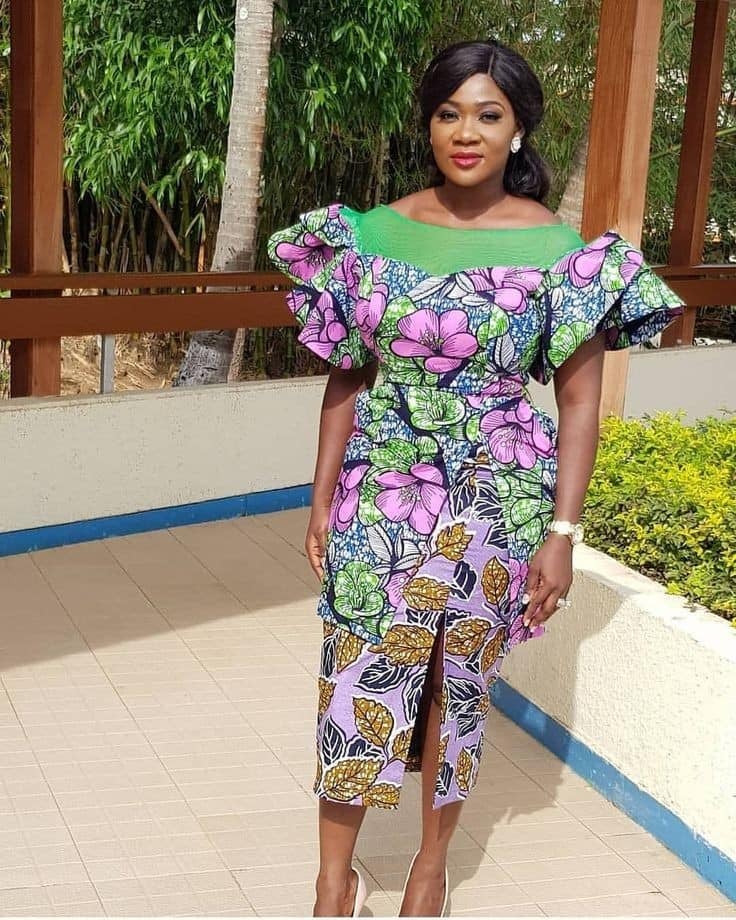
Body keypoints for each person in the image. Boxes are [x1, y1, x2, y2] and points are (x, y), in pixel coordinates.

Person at [268, 38, 684, 918]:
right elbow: (347, 375)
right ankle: (333, 881)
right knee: (356, 675)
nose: (467, 132)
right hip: (382, 494)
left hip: (499, 500)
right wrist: (321, 498)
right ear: (428, 124)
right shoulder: (371, 234)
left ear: (518, 128)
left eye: (488, 115)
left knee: (457, 686)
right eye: (449, 113)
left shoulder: (560, 250)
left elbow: (579, 402)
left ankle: (430, 869)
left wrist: (562, 535)